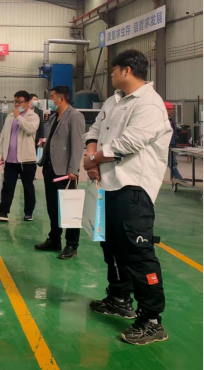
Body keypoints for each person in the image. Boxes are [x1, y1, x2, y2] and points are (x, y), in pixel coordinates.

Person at [83, 50, 172, 345]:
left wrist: (93, 158)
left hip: (134, 189)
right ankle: (119, 298)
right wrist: (91, 158)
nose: (111, 74)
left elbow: (129, 143)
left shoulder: (149, 104)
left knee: (138, 254)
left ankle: (152, 320)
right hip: (108, 186)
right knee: (112, 247)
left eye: (114, 69)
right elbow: (95, 129)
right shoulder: (114, 101)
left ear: (127, 70)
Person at [34, 86, 85, 260]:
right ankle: (54, 239)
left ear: (61, 98)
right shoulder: (54, 117)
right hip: (50, 168)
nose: (50, 100)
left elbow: (77, 145)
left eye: (52, 97)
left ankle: (71, 244)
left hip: (65, 172)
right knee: (53, 207)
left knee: (70, 209)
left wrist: (73, 169)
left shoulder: (75, 116)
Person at [0, 90, 39, 222]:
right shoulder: (10, 117)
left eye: (20, 102)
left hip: (26, 160)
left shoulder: (33, 117)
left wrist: (19, 117)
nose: (17, 104)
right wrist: (2, 154)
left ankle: (28, 213)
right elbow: (3, 136)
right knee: (7, 186)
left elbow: (30, 129)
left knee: (28, 187)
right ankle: (3, 212)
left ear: (27, 103)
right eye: (15, 102)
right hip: (10, 159)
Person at [165, 101, 182, 179]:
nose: (172, 110)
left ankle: (178, 179)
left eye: (172, 109)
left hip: (172, 144)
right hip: (166, 145)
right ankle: (179, 180)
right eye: (170, 109)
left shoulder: (171, 119)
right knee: (172, 164)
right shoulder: (163, 120)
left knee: (172, 163)